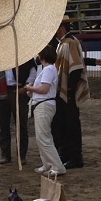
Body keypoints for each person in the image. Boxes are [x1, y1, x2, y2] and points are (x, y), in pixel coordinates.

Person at [52, 16, 101, 169]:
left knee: (70, 124)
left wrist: (69, 89)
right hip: (66, 91)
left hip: (67, 92)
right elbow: (78, 62)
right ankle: (68, 154)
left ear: (61, 28)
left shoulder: (69, 43)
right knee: (65, 123)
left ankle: (74, 156)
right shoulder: (67, 42)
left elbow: (75, 67)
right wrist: (94, 61)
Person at [24, 45, 66, 176]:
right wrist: (32, 92)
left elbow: (44, 89)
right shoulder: (47, 69)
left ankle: (57, 166)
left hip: (44, 105)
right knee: (41, 136)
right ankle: (47, 163)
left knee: (44, 137)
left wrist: (30, 88)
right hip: (42, 103)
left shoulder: (48, 70)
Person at [0, 58, 37, 165]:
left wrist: (25, 87)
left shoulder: (24, 56)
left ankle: (21, 155)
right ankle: (5, 154)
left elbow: (32, 71)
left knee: (21, 124)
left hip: (18, 90)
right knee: (3, 125)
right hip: (1, 90)